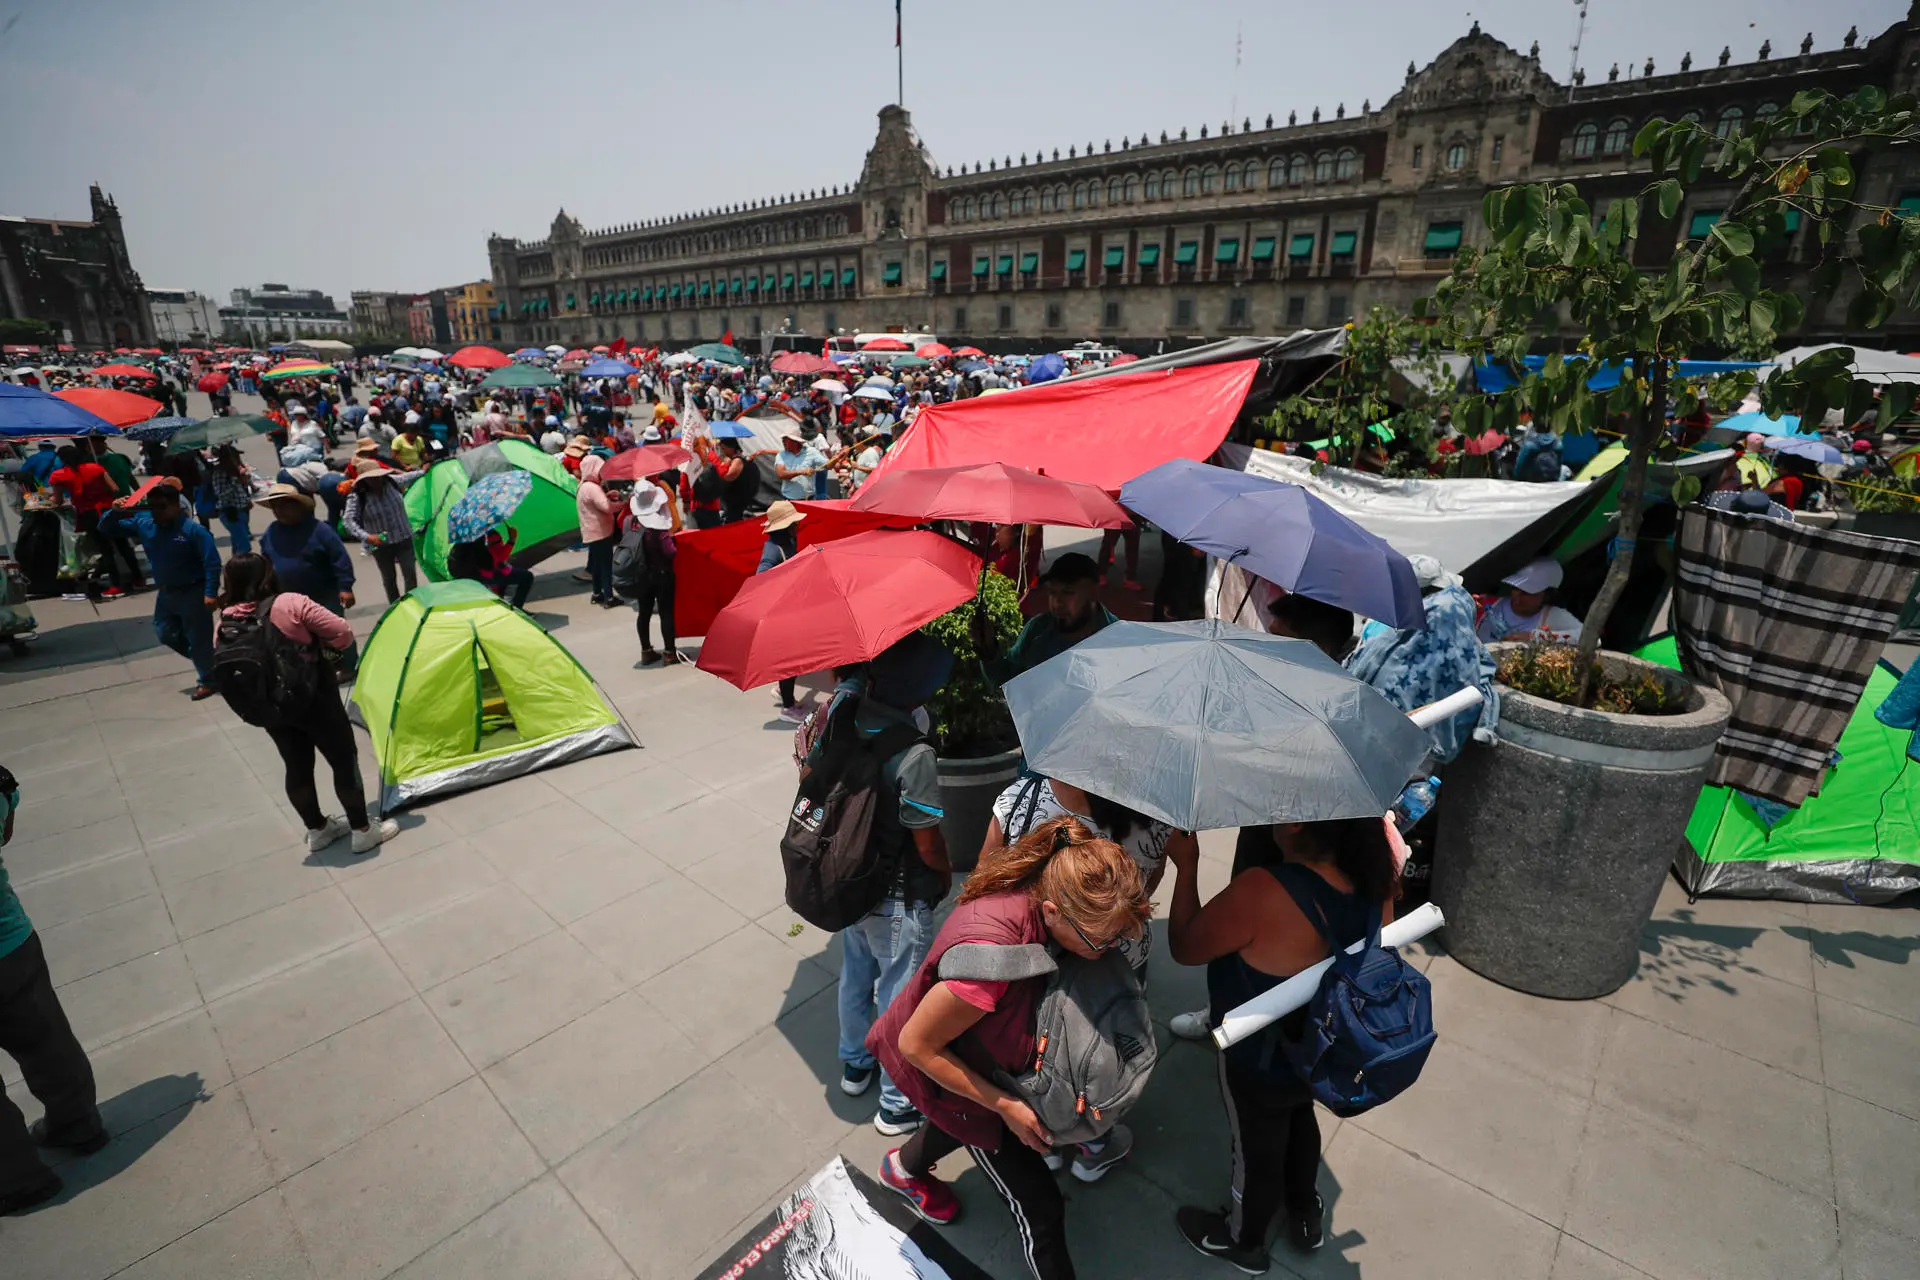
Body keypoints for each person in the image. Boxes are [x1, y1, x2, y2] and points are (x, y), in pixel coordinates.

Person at [868, 816, 1150, 1279]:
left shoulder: (1047, 884)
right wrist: (1003, 1107)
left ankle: (902, 1168)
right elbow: (917, 1046)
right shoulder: (989, 962)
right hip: (957, 1073)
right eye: (1101, 940)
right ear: (1054, 913)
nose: (1110, 948)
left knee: (952, 1123)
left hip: (981, 1054)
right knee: (1041, 1208)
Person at [1164, 816, 1404, 1271]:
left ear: (1295, 826)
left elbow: (1184, 947)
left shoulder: (1263, 890)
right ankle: (1304, 1209)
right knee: (1299, 1120)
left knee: (1254, 1147)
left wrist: (1188, 866)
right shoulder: (1377, 873)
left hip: (1259, 1056)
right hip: (1327, 1045)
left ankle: (1244, 1241)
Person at [984, 772, 1191, 1181]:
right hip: (1118, 967)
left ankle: (1045, 1132)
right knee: (1102, 1050)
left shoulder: (1020, 798)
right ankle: (1094, 1139)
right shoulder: (1158, 817)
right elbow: (1145, 891)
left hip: (1035, 963)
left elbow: (987, 878)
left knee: (1041, 1047)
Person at [812, 634, 955, 1137]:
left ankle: (855, 1063)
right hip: (896, 895)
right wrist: (942, 877)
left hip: (850, 879)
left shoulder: (844, 714)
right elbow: (928, 843)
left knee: (856, 972)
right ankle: (896, 1104)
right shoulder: (914, 754)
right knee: (898, 992)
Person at [215, 555, 397, 855]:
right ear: (267, 576)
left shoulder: (227, 618)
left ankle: (317, 830)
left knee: (296, 766)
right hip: (314, 697)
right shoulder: (290, 603)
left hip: (269, 706)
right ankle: (362, 831)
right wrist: (325, 649)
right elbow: (342, 632)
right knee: (342, 760)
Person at [0, 764, 108, 1216]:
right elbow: (6, 826)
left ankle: (18, 1179)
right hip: (11, 942)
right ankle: (78, 1124)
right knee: (47, 1040)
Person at [97, 480, 221, 700]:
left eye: (162, 506)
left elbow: (211, 562)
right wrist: (115, 512)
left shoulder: (193, 531)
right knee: (165, 633)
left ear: (176, 506)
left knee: (198, 637)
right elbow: (107, 529)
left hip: (192, 591)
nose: (156, 512)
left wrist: (210, 593)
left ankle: (208, 679)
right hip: (166, 593)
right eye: (152, 506)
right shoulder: (146, 524)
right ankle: (212, 663)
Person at [256, 483, 357, 671]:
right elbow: (266, 561)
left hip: (323, 594)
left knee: (335, 632)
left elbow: (340, 558)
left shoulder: (320, 529)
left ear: (298, 505)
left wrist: (345, 587)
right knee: (299, 637)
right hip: (289, 599)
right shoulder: (272, 532)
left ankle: (348, 667)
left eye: (284, 505)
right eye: (275, 507)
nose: (279, 511)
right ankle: (316, 669)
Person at [982, 552, 1117, 683]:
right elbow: (1007, 678)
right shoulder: (1038, 629)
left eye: (1068, 592)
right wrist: (988, 648)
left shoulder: (1118, 639)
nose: (1057, 601)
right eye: (1052, 592)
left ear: (1093, 593)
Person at [49, 444, 135, 597]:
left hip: (88, 513)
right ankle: (138, 578)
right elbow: (114, 488)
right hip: (109, 509)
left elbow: (58, 500)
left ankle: (116, 585)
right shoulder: (95, 468)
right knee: (122, 544)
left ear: (62, 459)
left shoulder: (59, 475)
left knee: (105, 549)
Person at [341, 459, 419, 604]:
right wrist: (367, 537)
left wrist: (426, 470)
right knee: (389, 578)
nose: (376, 481)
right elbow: (348, 521)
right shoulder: (358, 496)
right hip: (381, 545)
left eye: (377, 477)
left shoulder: (392, 482)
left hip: (404, 538)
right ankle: (395, 607)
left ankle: (411, 604)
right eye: (371, 479)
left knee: (410, 575)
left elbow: (411, 476)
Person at [759, 500, 809, 720]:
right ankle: (788, 707)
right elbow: (762, 577)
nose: (797, 526)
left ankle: (782, 690)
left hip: (791, 609)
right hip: (781, 612)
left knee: (794, 655)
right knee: (789, 658)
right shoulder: (773, 550)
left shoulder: (787, 541)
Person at [626, 481, 681, 664]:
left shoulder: (630, 522)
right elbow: (670, 552)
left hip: (641, 573)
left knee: (644, 612)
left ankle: (646, 650)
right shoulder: (658, 528)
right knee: (666, 613)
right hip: (662, 574)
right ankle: (669, 652)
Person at [1476, 557, 1583, 644]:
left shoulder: (1553, 615)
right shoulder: (1487, 604)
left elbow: (1589, 637)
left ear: (1547, 595)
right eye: (1515, 589)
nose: (1518, 598)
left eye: (1527, 593)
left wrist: (1536, 636)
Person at [577, 454, 619, 607]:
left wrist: (607, 496)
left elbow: (596, 503)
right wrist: (622, 504)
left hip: (591, 533)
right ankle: (609, 597)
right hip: (601, 533)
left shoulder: (583, 486)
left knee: (596, 565)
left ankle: (597, 593)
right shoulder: (593, 488)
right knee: (606, 566)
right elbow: (607, 507)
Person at [205, 444, 255, 553]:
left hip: (241, 510)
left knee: (237, 544)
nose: (237, 460)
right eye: (235, 457)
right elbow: (221, 494)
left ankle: (236, 566)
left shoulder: (235, 471)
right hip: (229, 512)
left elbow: (240, 490)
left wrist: (247, 498)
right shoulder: (219, 473)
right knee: (244, 546)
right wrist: (235, 482)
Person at [775, 429, 822, 502]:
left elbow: (827, 464)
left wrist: (838, 458)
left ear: (795, 441)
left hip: (809, 499)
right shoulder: (781, 455)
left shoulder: (812, 452)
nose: (783, 442)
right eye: (783, 439)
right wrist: (801, 472)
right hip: (788, 500)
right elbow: (781, 474)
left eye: (785, 439)